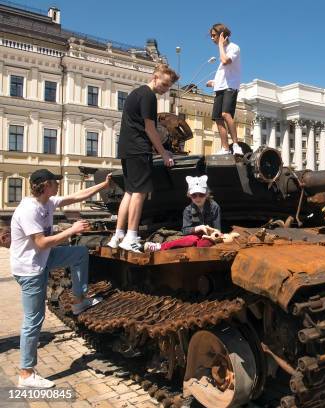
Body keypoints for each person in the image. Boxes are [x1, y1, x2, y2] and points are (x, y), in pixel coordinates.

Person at [11, 169, 112, 388]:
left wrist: (103, 187)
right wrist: (72, 230)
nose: (59, 185)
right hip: (30, 269)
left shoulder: (47, 201)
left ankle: (79, 301)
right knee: (33, 320)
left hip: (42, 258)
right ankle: (26, 374)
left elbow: (76, 196)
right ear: (46, 185)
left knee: (79, 254)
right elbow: (40, 243)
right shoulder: (29, 209)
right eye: (55, 182)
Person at [108, 64, 179, 253]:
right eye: (164, 84)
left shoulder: (135, 93)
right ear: (155, 77)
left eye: (168, 87)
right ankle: (131, 236)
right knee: (139, 193)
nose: (165, 89)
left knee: (129, 192)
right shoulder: (148, 96)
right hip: (139, 149)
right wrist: (163, 153)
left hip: (126, 149)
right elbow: (149, 128)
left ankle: (118, 235)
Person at [143, 175, 222, 252]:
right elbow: (185, 231)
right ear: (189, 195)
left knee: (205, 243)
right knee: (191, 240)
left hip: (210, 237)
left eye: (201, 195)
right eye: (194, 195)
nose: (198, 198)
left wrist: (211, 233)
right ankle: (159, 247)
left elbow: (217, 230)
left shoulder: (214, 207)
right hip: (193, 237)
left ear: (207, 194)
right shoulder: (187, 210)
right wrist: (199, 228)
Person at [206, 23, 243, 156]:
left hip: (231, 86)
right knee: (217, 118)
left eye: (214, 35)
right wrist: (214, 83)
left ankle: (236, 145)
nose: (212, 38)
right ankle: (225, 148)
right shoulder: (224, 49)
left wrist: (221, 45)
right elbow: (224, 72)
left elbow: (226, 61)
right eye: (211, 36)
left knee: (226, 114)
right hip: (220, 88)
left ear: (222, 35)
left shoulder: (234, 47)